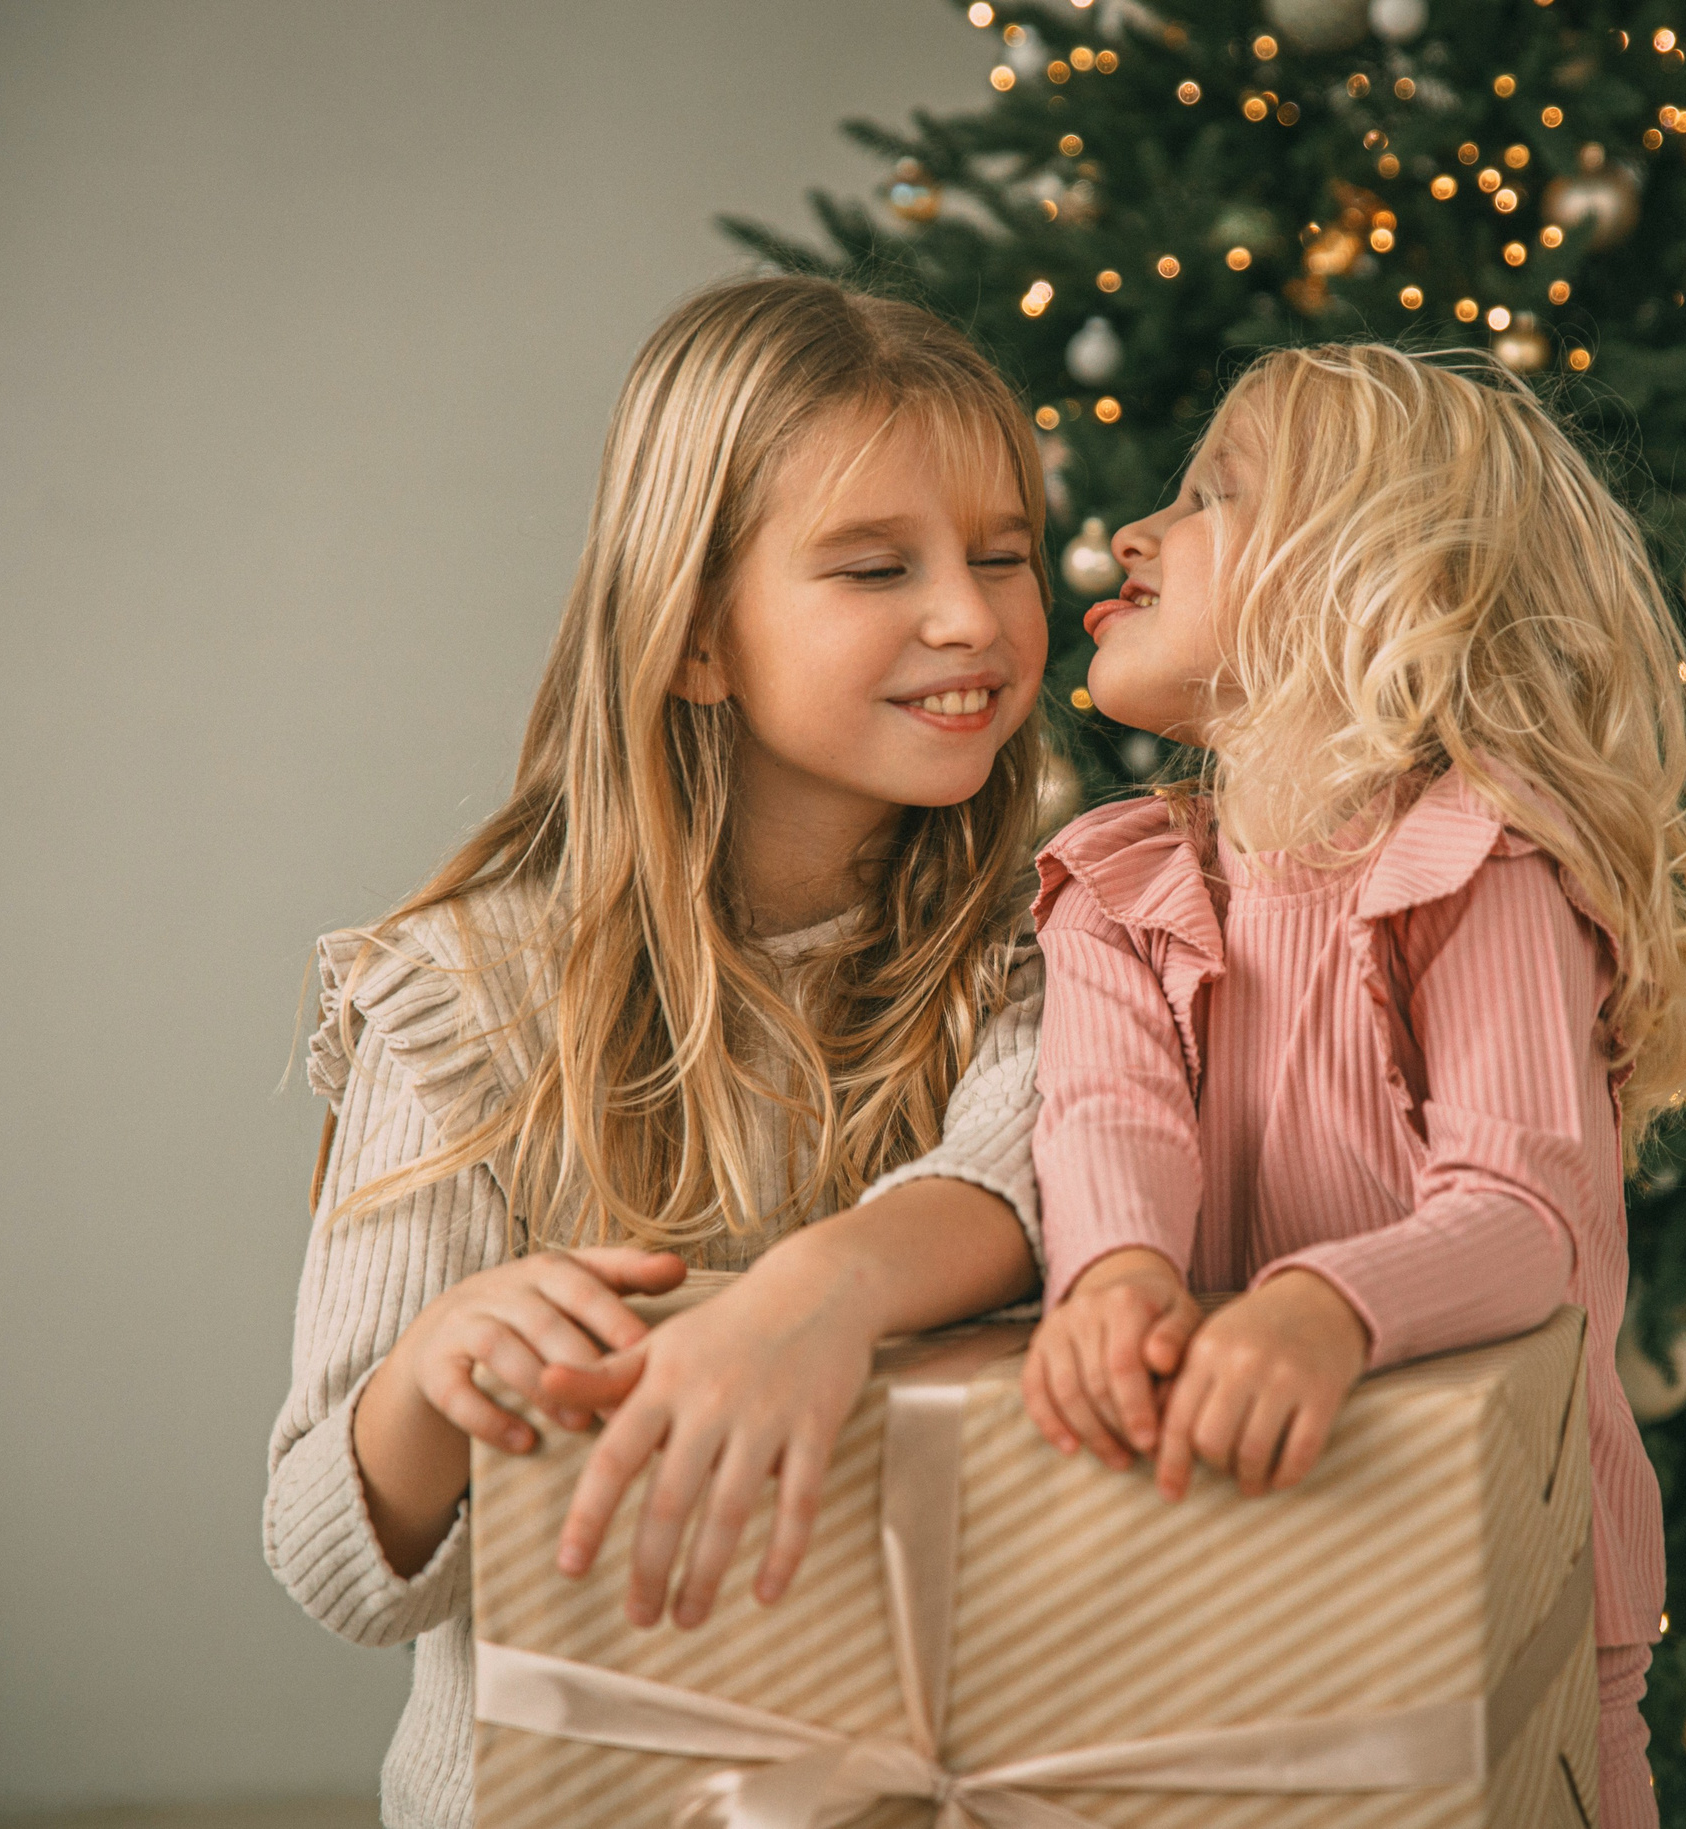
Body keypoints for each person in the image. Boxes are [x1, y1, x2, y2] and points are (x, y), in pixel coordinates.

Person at [265, 275, 1052, 1829]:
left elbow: (1014, 1164)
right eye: (876, 565)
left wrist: (811, 1298)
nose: (970, 613)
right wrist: (435, 1376)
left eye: (1006, 552)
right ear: (697, 640)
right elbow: (329, 1561)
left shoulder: (1054, 943)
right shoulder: (464, 1000)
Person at [1019, 342, 1686, 1827]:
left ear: (1377, 579)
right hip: (1221, 1535)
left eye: (1214, 496)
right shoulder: (1118, 877)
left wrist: (1320, 1306)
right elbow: (1109, 1118)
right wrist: (1116, 1276)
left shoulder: (1476, 859)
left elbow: (1525, 1208)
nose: (1130, 532)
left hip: (1511, 1572)